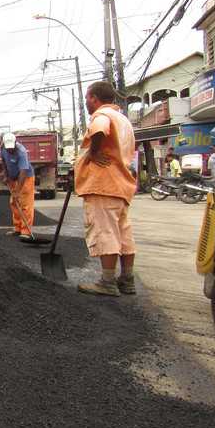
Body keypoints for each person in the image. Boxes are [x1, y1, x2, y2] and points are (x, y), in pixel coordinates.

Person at [74, 81, 137, 297]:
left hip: (103, 184)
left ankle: (108, 282)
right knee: (123, 233)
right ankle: (127, 279)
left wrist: (92, 152)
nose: (86, 104)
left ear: (94, 98)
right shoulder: (123, 120)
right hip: (121, 184)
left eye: (86, 100)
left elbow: (99, 128)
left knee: (105, 231)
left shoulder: (102, 116)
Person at [0, 132, 35, 239]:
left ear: (15, 142)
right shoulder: (3, 148)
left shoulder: (21, 151)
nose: (10, 150)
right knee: (14, 203)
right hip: (13, 177)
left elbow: (23, 171)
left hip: (26, 178)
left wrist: (17, 191)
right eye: (8, 148)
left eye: (12, 147)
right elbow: (4, 162)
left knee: (25, 204)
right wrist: (6, 175)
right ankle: (18, 228)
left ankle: (26, 231)